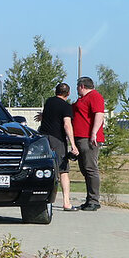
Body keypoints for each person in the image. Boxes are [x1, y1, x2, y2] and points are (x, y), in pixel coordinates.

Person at [38, 82, 79, 211]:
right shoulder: (66, 107)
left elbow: (49, 116)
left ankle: (40, 200)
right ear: (68, 93)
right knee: (63, 171)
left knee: (44, 167)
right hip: (57, 139)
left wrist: (42, 117)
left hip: (44, 138)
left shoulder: (49, 102)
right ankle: (66, 202)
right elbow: (67, 124)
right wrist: (73, 145)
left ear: (56, 91)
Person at [72, 76, 106, 211]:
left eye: (77, 87)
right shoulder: (82, 99)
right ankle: (89, 199)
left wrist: (94, 133)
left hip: (88, 138)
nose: (77, 89)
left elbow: (99, 114)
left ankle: (94, 200)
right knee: (85, 169)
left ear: (82, 86)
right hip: (80, 137)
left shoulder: (95, 96)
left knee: (91, 169)